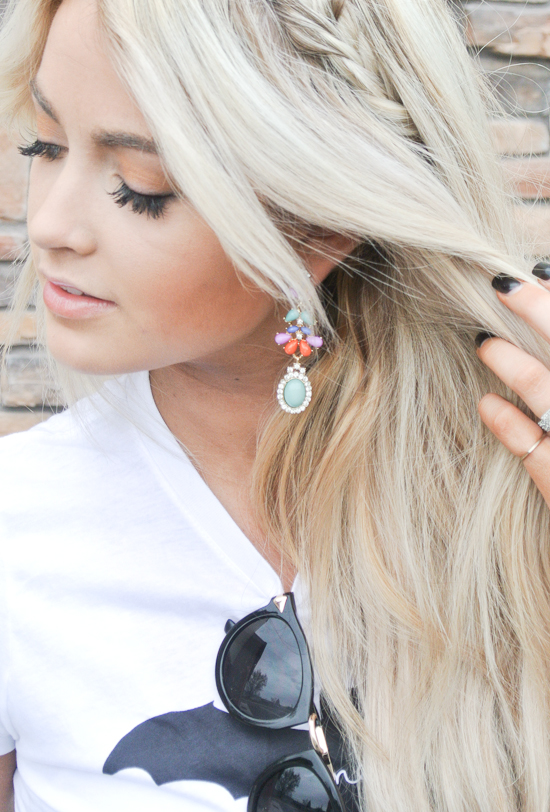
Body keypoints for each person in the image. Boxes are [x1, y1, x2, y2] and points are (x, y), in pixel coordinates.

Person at [1, 0, 550, 809]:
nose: (48, 224)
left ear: (320, 229)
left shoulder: (508, 502)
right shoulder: (18, 525)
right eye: (44, 146)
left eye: (141, 187)